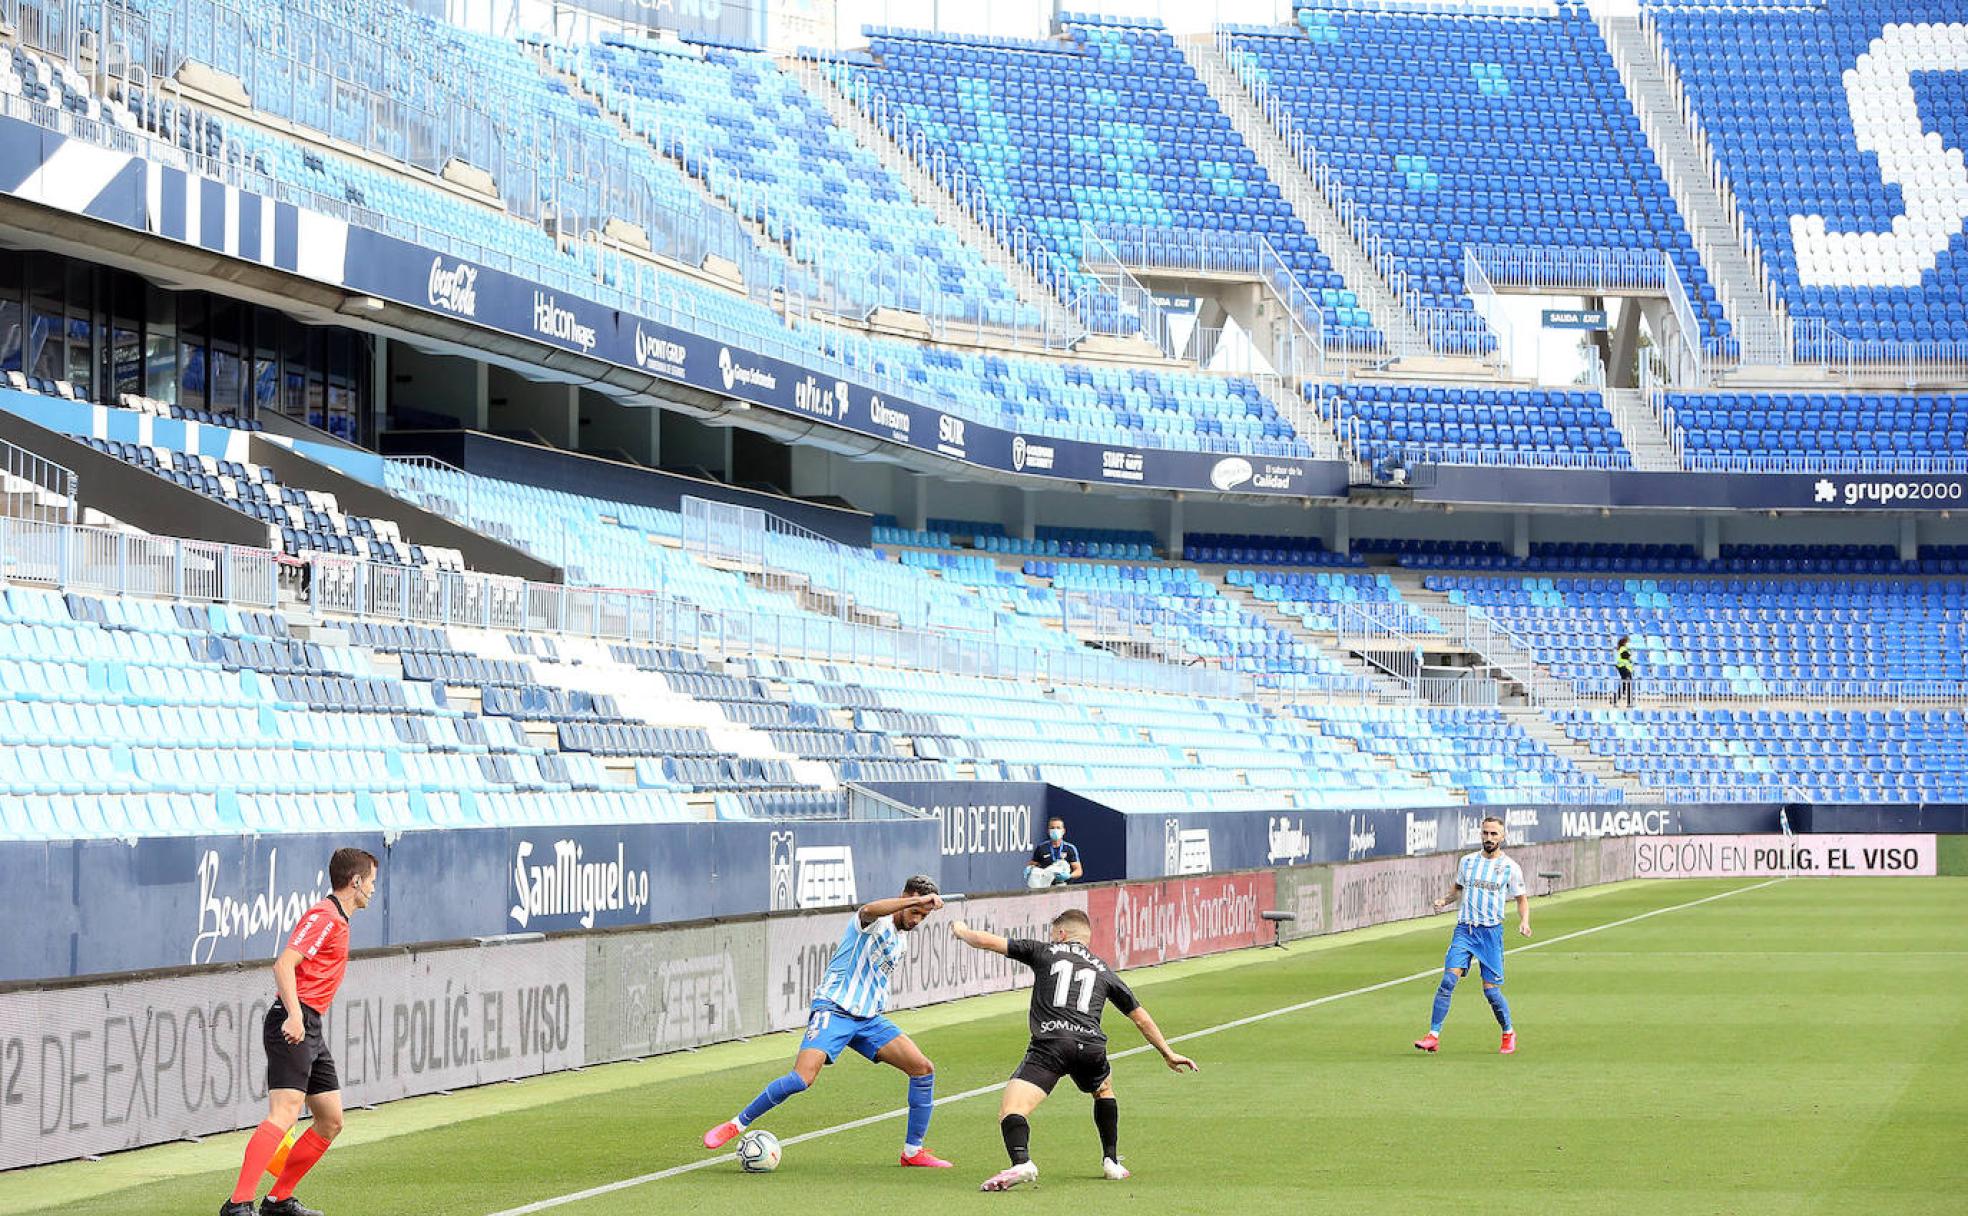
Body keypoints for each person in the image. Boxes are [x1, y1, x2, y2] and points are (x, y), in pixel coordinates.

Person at [703, 875, 954, 1168]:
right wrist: (917, 900)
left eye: (923, 916)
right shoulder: (873, 921)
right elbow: (870, 909)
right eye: (915, 912)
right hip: (834, 1011)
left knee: (922, 1069)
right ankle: (736, 1124)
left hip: (868, 1020)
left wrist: (918, 907)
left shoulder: (902, 939)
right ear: (904, 897)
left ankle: (912, 1153)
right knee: (801, 1079)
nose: (917, 920)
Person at [951, 908, 1197, 1192]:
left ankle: (1022, 1162)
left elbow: (986, 940)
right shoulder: (1103, 969)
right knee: (1104, 1089)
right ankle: (1112, 1161)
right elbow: (1140, 1017)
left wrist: (961, 929)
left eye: (1053, 932)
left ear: (1061, 934)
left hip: (1052, 1044)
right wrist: (1167, 1052)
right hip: (1091, 1047)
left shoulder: (1044, 950)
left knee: (1012, 1109)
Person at [221, 847, 379, 1216]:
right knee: (285, 1113)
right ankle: (238, 1203)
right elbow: (283, 965)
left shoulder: (337, 920)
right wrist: (294, 1015)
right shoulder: (324, 916)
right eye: (371, 880)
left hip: (310, 1024)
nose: (373, 888)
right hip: (293, 1021)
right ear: (355, 881)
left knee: (330, 1120)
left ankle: (277, 1200)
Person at [1415, 816, 1530, 1056]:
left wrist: (1524, 921)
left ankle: (1508, 1032)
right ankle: (1433, 1035)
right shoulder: (1467, 862)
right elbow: (1457, 888)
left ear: (1503, 836)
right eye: (1486, 833)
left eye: (1494, 834)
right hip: (1465, 930)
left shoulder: (1510, 867)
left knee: (1491, 991)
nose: (1489, 838)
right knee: (1448, 981)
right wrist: (1444, 901)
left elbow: (1521, 899)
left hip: (1490, 934)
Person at [1025, 817, 1083, 888]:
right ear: (1048, 831)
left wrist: (1068, 876)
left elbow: (1078, 871)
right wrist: (1029, 869)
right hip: (1046, 887)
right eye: (1052, 828)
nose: (1055, 830)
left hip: (1065, 887)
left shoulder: (1070, 848)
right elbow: (1032, 865)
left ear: (1063, 831)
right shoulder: (1041, 848)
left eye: (1058, 828)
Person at [1614, 634, 1635, 706]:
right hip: (1624, 668)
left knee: (1624, 686)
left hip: (1625, 669)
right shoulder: (1623, 648)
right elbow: (1625, 656)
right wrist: (1630, 655)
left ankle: (1615, 700)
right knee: (1628, 686)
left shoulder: (1624, 648)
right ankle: (1629, 703)